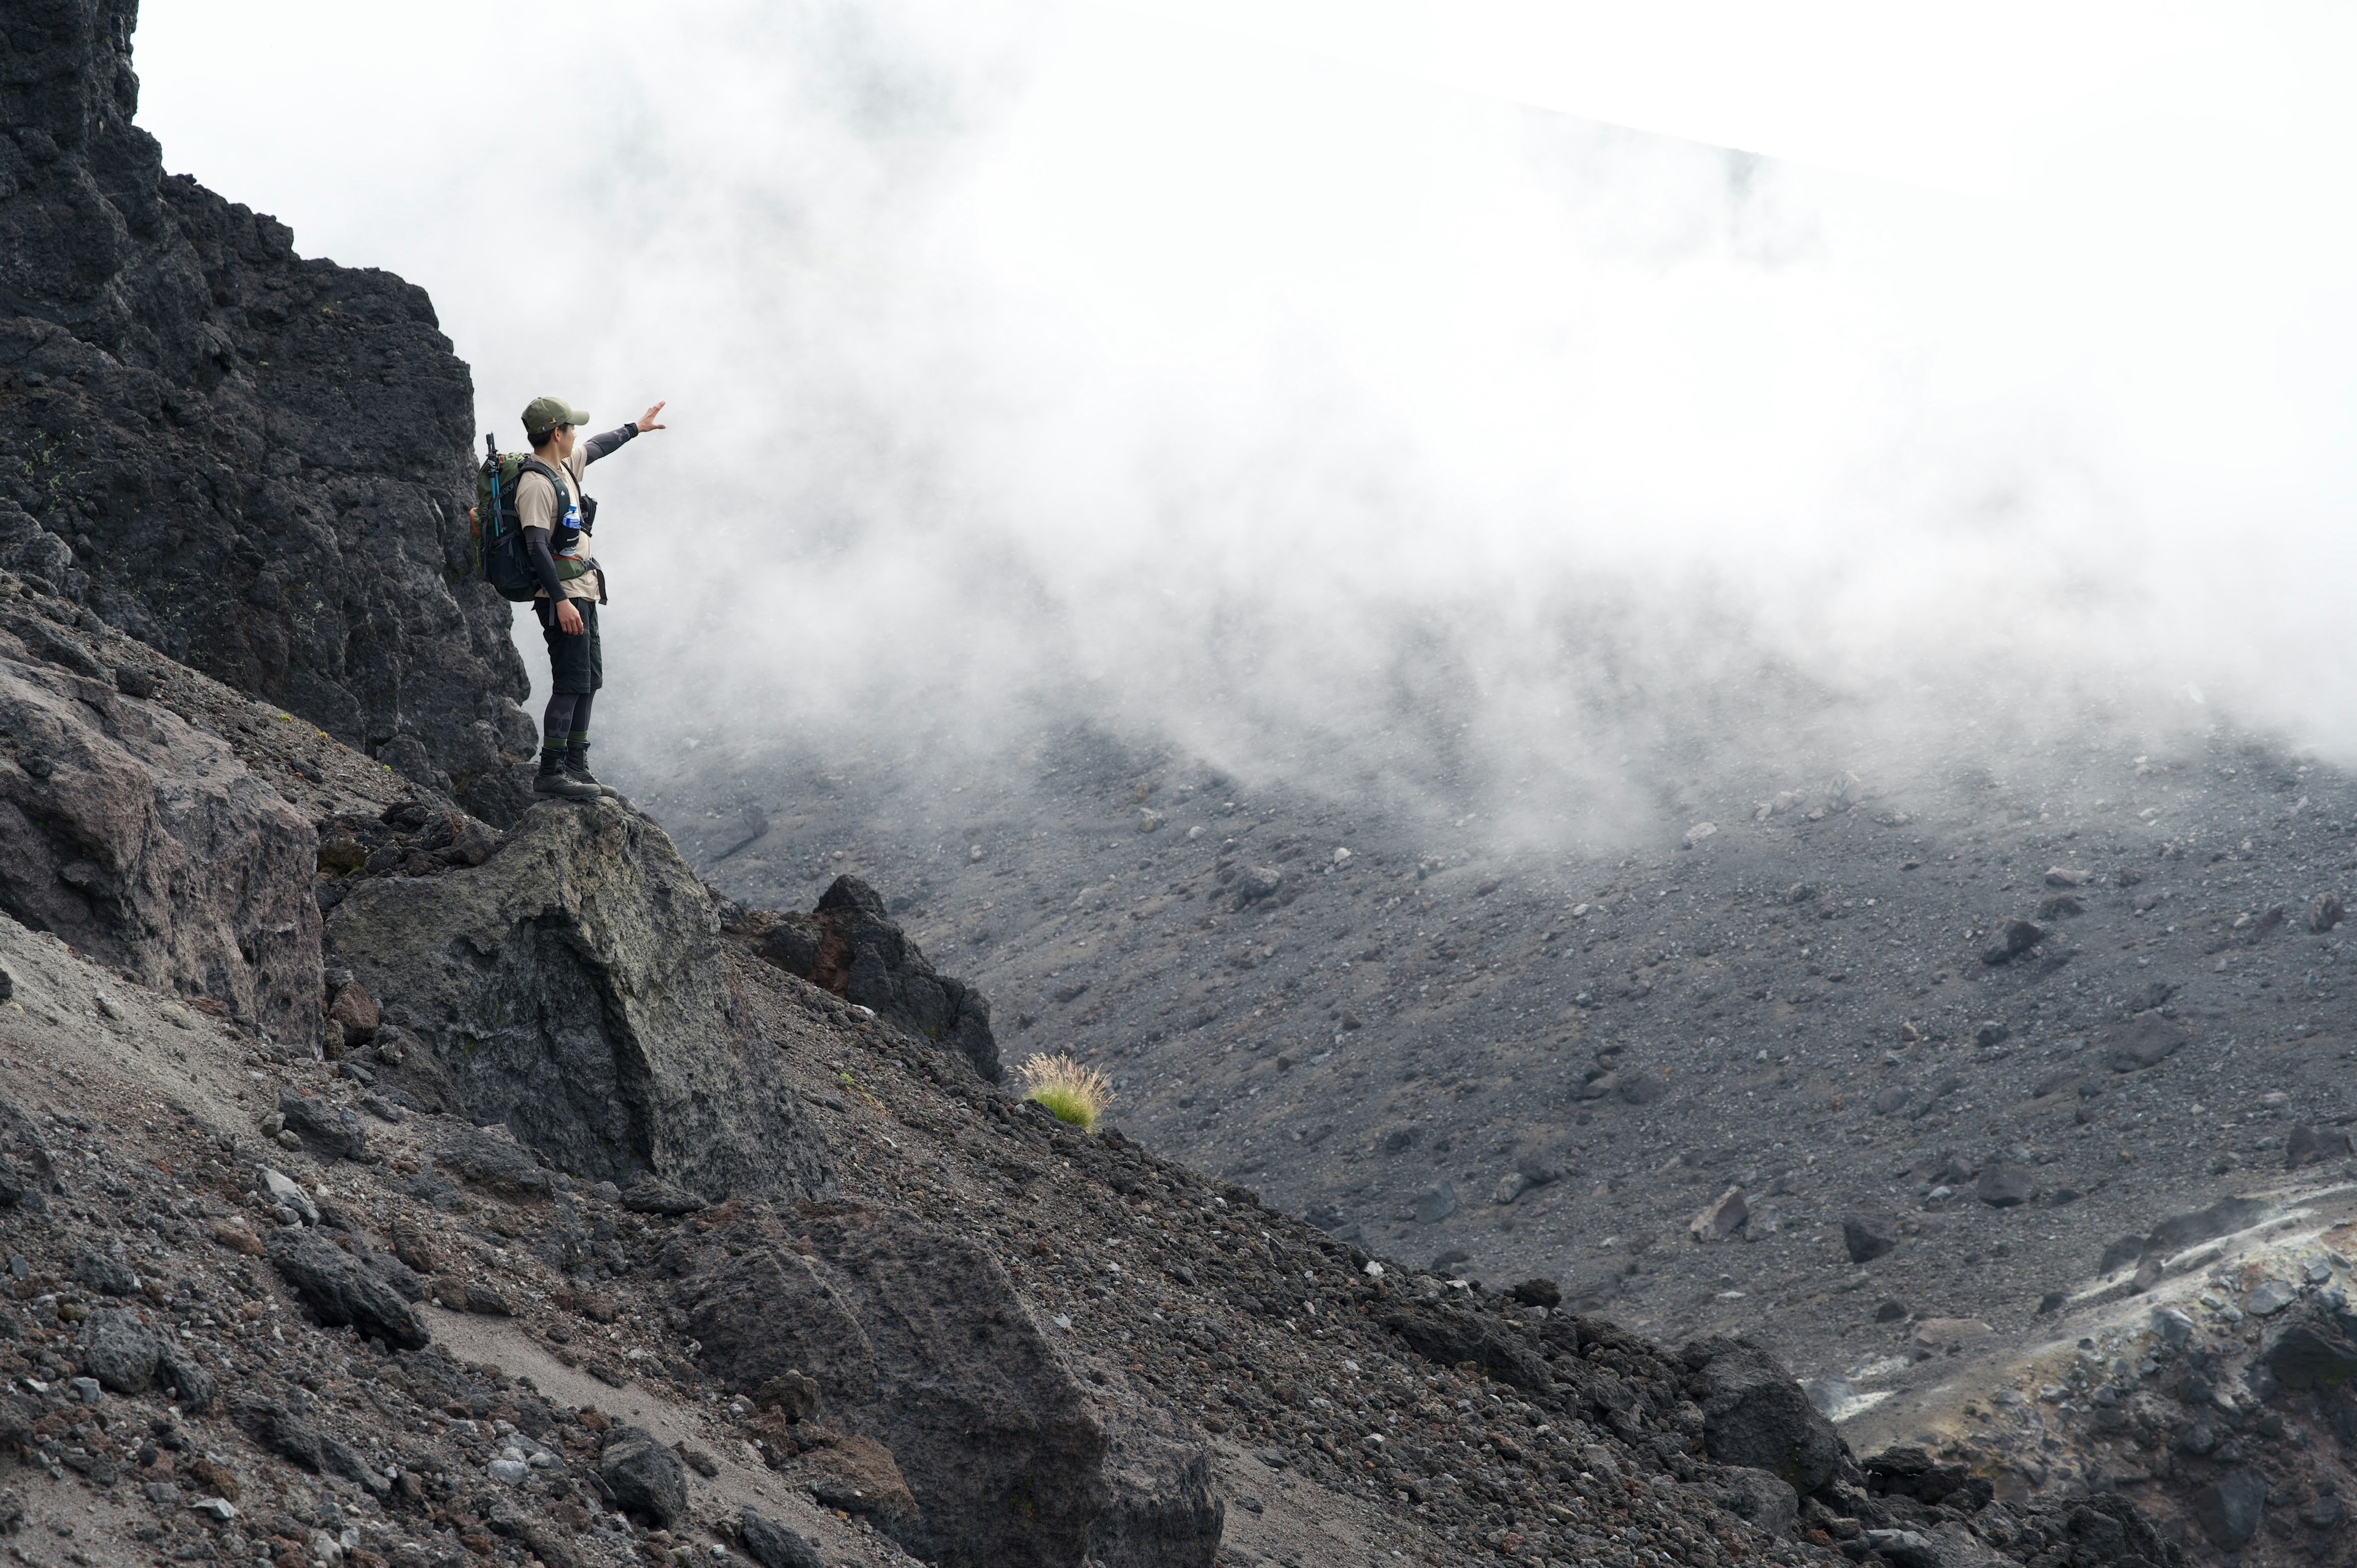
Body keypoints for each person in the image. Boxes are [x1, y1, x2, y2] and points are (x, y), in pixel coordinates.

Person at [514, 394, 667, 798]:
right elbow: (535, 547)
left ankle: (576, 765)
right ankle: (551, 773)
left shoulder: (565, 466)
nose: (577, 434)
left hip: (585, 590)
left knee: (589, 680)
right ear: (557, 433)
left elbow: (598, 446)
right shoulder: (535, 484)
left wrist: (636, 427)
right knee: (569, 683)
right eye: (572, 428)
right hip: (561, 596)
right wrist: (561, 600)